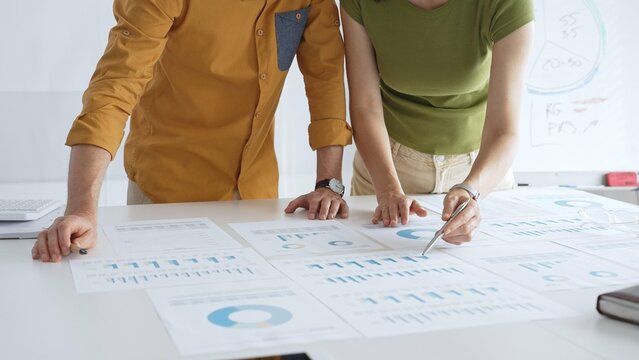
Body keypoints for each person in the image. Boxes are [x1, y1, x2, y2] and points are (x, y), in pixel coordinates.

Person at [32, 0, 352, 263]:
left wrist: (329, 184)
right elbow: (114, 88)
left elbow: (325, 76)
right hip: (166, 196)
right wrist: (81, 210)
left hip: (257, 196)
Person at [340, 0, 534, 244]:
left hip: (481, 171)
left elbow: (504, 129)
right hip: (386, 167)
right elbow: (365, 106)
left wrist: (472, 191)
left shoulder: (507, 3)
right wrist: (388, 189)